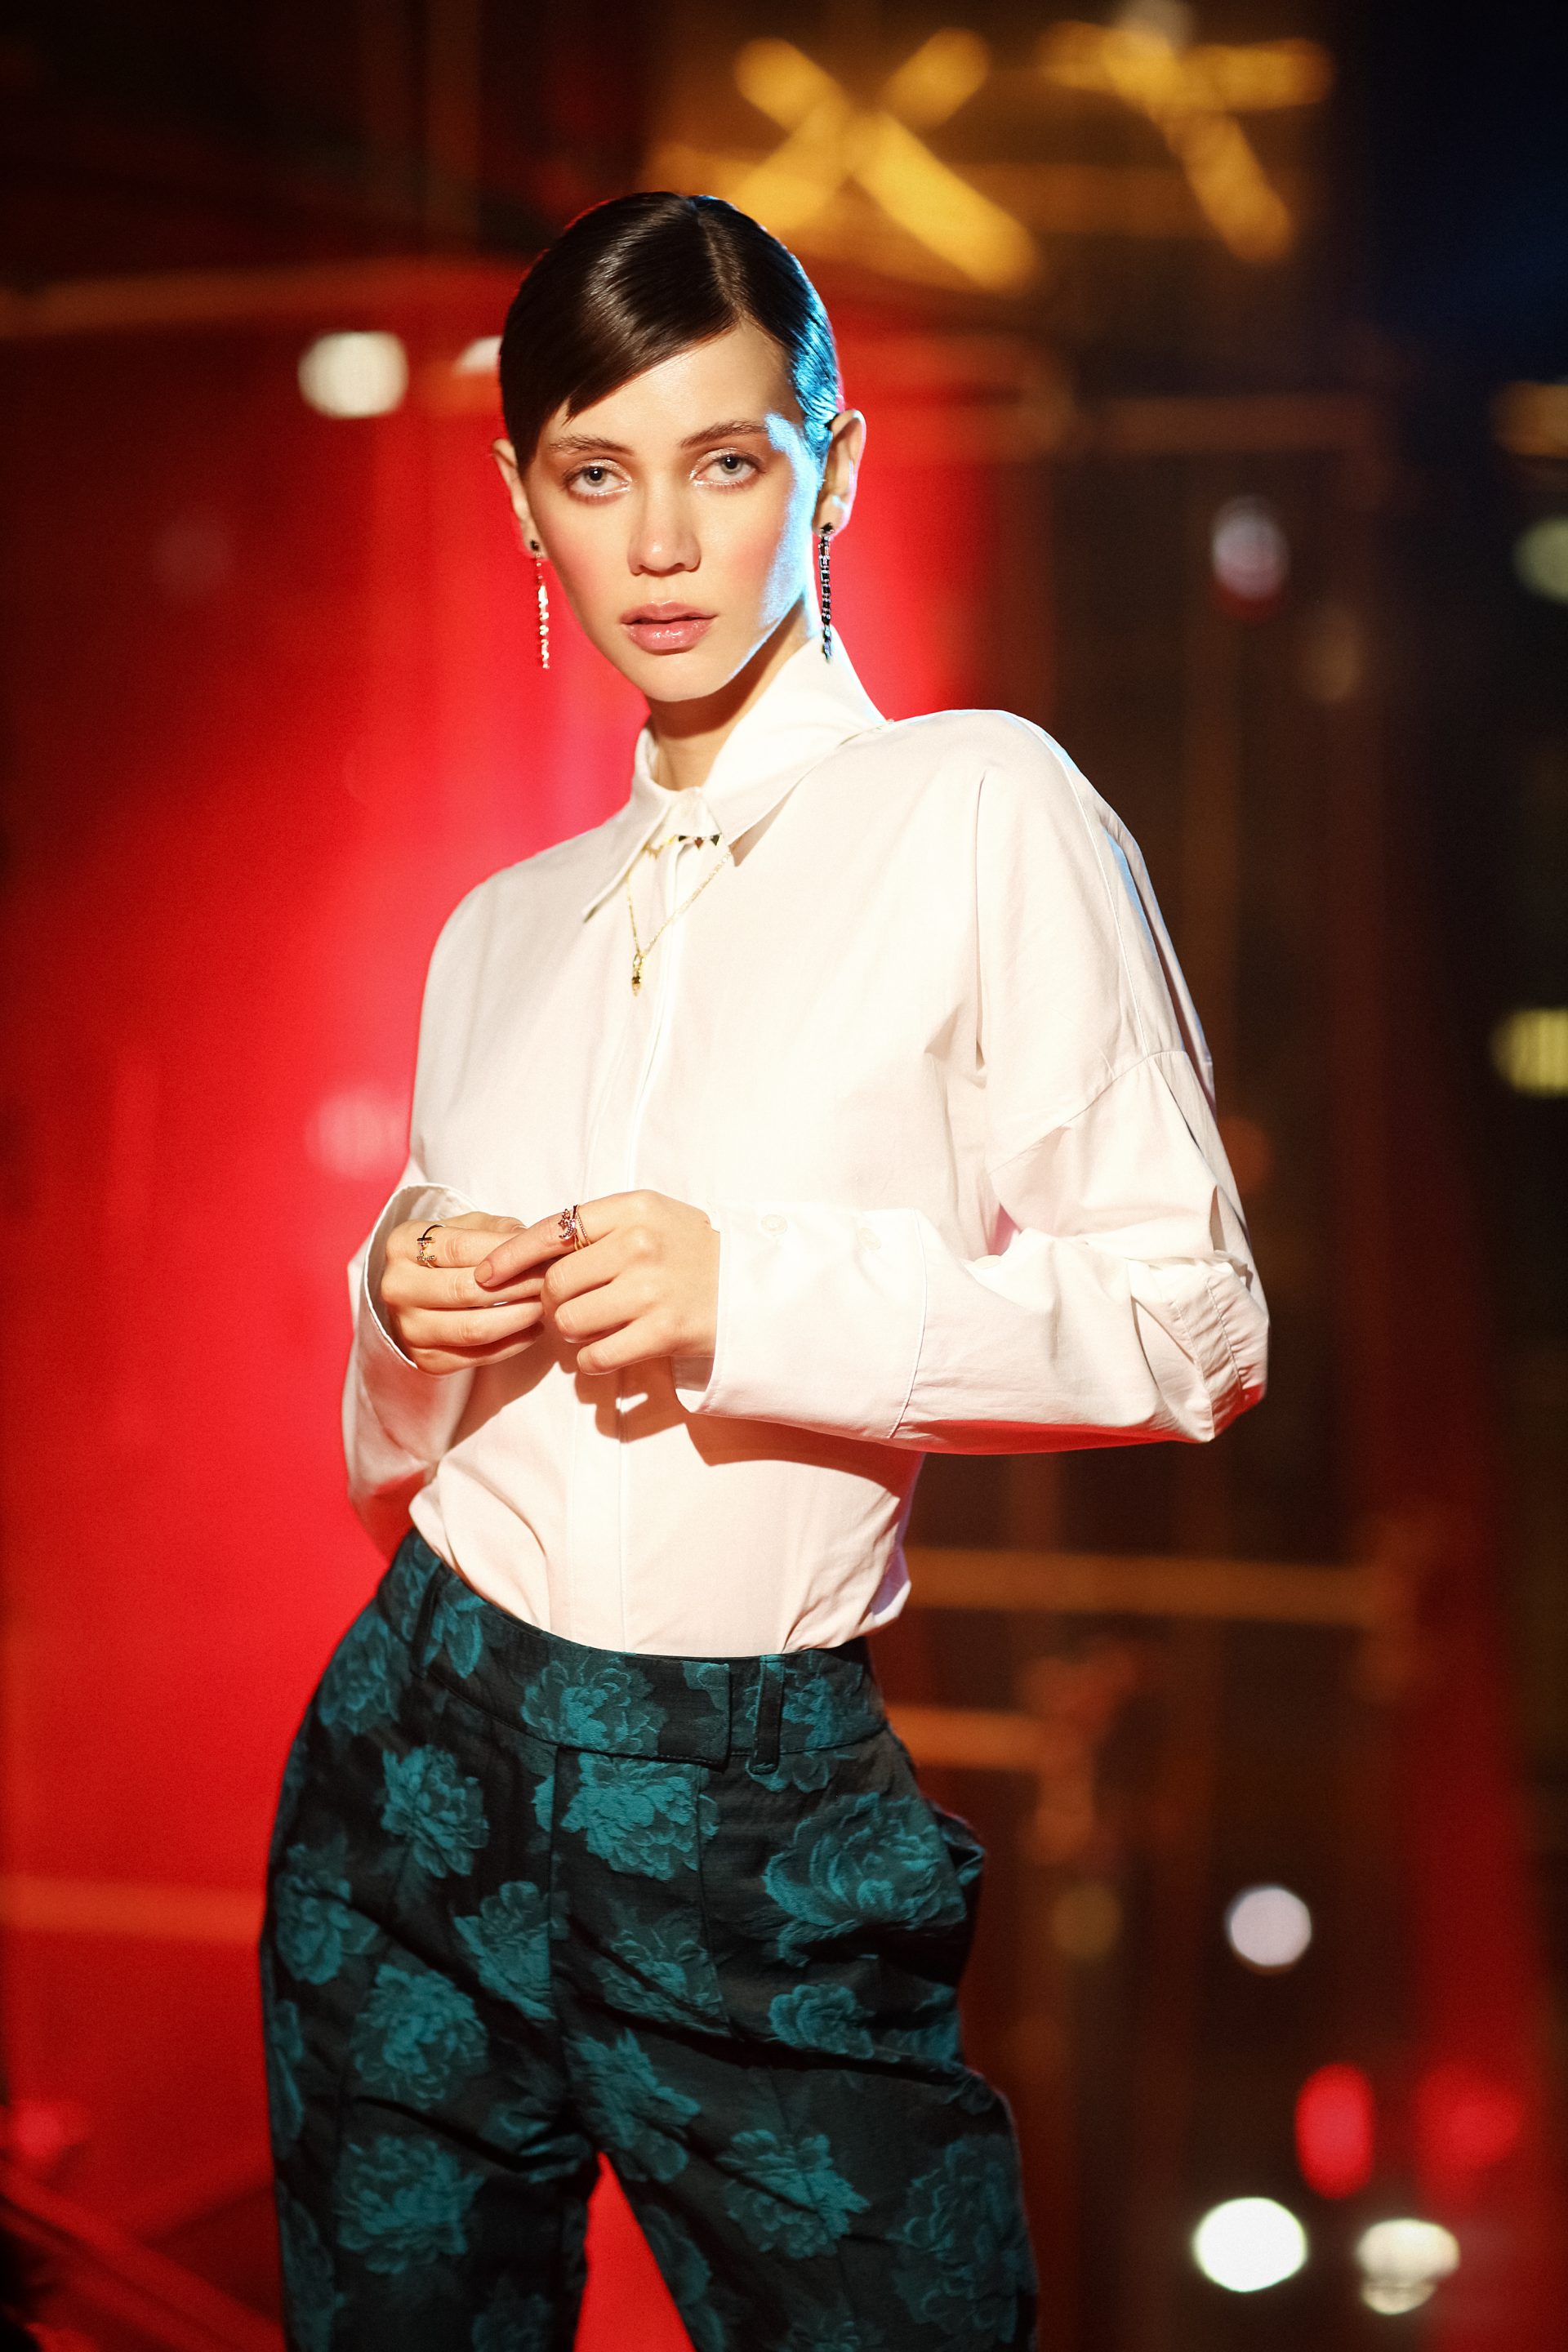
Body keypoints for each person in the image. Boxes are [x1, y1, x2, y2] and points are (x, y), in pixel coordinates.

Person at [259, 190, 1267, 2352]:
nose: (660, 544)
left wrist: (758, 1295)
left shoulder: (978, 805)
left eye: (727, 462)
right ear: (521, 500)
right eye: (593, 473)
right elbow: (394, 1462)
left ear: (837, 466)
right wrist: (395, 1308)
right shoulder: (499, 925)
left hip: (746, 1788)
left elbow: (1195, 1327)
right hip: (411, 1746)